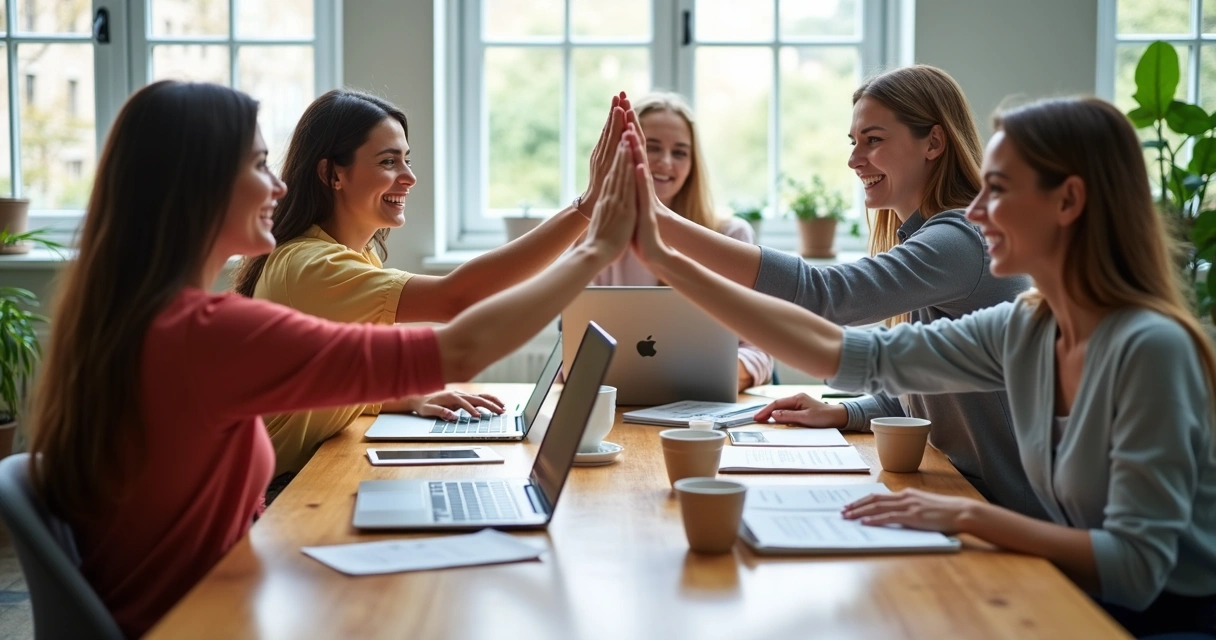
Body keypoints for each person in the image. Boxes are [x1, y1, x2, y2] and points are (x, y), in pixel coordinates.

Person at [26, 80, 642, 637]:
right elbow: (460, 338)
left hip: (216, 593)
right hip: (202, 617)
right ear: (199, 184)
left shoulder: (152, 319)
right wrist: (595, 245)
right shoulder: (214, 329)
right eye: (260, 165)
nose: (278, 185)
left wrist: (394, 393)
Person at [626, 96, 1216, 637]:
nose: (977, 213)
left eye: (999, 190)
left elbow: (1137, 572)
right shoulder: (1027, 327)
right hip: (1076, 593)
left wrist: (965, 515)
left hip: (1160, 619)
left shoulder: (1150, 349)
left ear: (1068, 201)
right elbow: (856, 357)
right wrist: (662, 258)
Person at [632, 66, 1042, 518]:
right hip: (965, 494)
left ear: (933, 143)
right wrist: (844, 412)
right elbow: (924, 385)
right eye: (854, 142)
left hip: (1006, 508)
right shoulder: (930, 239)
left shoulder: (962, 240)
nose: (854, 159)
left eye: (873, 140)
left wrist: (662, 225)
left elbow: (827, 294)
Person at [231, 89, 635, 480]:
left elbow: (327, 374)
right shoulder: (310, 265)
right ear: (332, 174)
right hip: (279, 490)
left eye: (406, 160)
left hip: (297, 476)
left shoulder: (352, 257)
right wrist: (585, 209)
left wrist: (405, 399)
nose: (409, 177)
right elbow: (458, 299)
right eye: (389, 162)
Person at [588, 92, 772, 391]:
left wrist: (687, 379)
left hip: (703, 407)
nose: (665, 162)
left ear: (693, 163)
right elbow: (573, 356)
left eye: (680, 152)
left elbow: (758, 353)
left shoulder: (730, 235)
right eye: (651, 147)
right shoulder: (593, 236)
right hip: (620, 408)